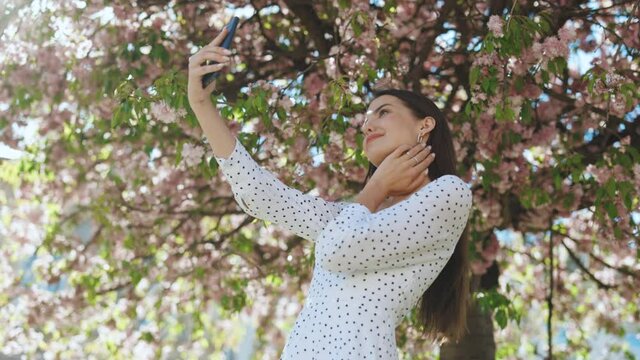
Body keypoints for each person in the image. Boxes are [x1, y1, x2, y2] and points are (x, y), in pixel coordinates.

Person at [187, 26, 473, 360]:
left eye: (383, 112)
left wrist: (376, 187)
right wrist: (201, 104)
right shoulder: (353, 215)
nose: (367, 125)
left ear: (424, 125)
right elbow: (263, 196)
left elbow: (339, 251)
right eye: (366, 119)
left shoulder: (449, 194)